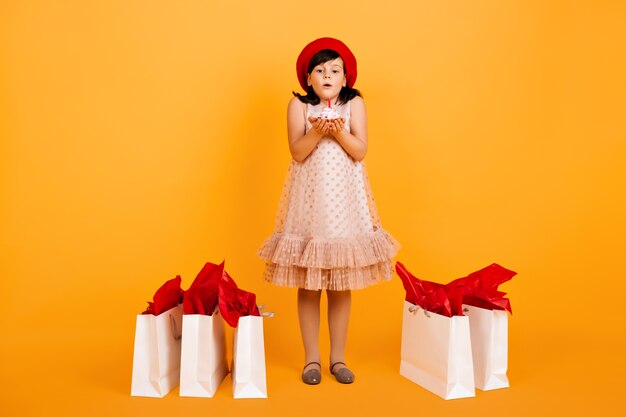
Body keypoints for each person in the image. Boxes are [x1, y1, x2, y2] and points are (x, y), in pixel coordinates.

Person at [258, 37, 400, 385]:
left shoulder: (354, 105)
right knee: (308, 284)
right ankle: (312, 360)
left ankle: (338, 358)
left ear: (345, 78)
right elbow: (297, 152)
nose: (327, 75)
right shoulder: (298, 106)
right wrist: (318, 130)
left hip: (345, 206)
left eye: (335, 70)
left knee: (339, 283)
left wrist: (337, 133)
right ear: (308, 78)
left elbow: (360, 151)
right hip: (309, 204)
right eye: (319, 70)